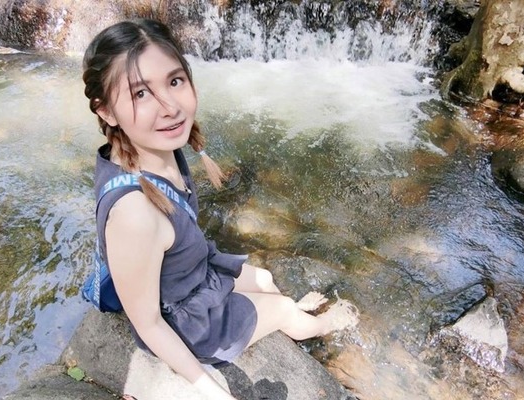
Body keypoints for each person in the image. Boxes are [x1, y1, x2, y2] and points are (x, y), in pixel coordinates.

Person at [82, 19, 359, 400]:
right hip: (187, 321)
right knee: (283, 310)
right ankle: (319, 324)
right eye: (141, 93)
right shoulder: (135, 214)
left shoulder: (154, 150)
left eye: (175, 81)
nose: (170, 107)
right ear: (107, 111)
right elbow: (149, 325)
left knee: (264, 279)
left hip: (195, 274)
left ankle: (287, 312)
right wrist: (213, 391)